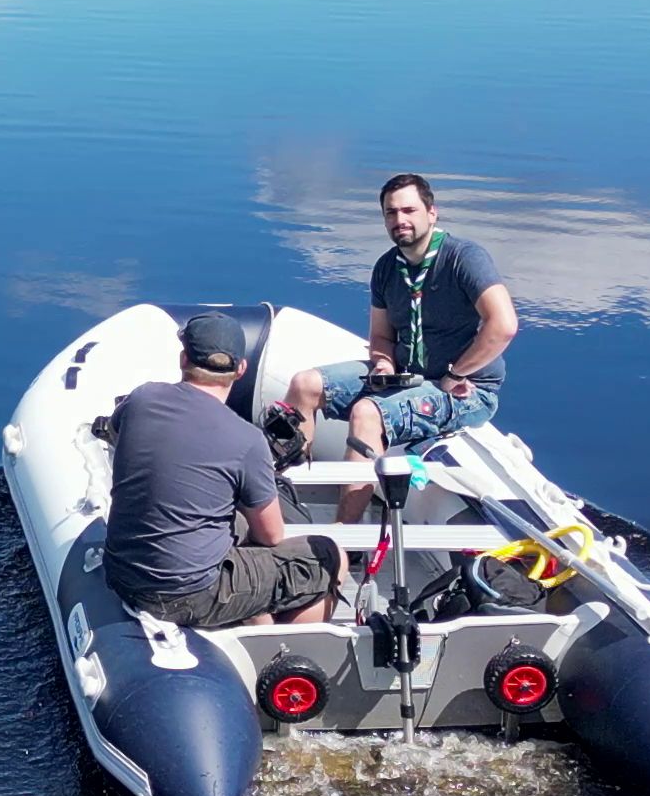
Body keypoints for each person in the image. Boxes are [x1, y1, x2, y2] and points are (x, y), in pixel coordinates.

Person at [105, 311, 343, 628]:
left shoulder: (141, 399)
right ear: (241, 369)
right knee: (330, 555)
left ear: (183, 358)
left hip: (122, 575)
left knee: (239, 527)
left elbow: (119, 433)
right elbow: (272, 535)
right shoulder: (246, 440)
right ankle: (280, 653)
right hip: (188, 595)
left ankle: (258, 622)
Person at [276, 173, 518, 474]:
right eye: (391, 212)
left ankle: (346, 523)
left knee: (368, 412)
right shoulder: (387, 268)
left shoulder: (463, 258)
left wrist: (456, 373)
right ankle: (293, 485)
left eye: (409, 210)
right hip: (408, 375)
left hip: (467, 390)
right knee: (305, 384)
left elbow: (504, 325)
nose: (399, 219)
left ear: (432, 213)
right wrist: (383, 365)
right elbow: (380, 335)